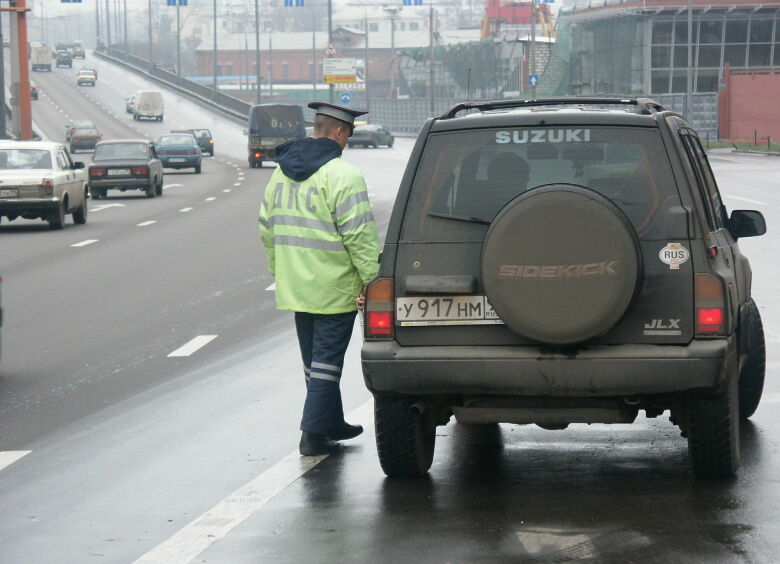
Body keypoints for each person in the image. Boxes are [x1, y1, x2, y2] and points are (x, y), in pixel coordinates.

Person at [259, 101, 380, 456]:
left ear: (317, 128)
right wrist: (372, 281)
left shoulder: (280, 173)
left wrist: (280, 270)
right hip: (334, 287)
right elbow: (359, 236)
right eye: (349, 136)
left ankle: (331, 423)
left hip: (296, 286)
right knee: (327, 363)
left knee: (315, 364)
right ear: (340, 133)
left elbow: (266, 229)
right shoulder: (343, 175)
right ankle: (311, 433)